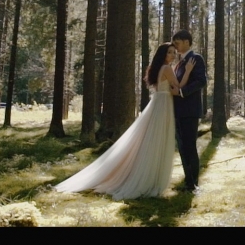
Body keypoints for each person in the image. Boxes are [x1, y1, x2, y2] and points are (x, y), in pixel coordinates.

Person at [54, 42, 195, 200]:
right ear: (163, 54)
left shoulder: (158, 68)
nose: (173, 55)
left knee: (153, 140)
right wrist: (188, 71)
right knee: (158, 140)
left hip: (158, 104)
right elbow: (179, 87)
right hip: (163, 106)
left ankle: (149, 175)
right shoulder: (167, 68)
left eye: (174, 52)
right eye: (170, 52)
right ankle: (150, 178)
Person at [171, 29, 207, 191]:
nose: (175, 47)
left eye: (177, 43)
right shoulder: (179, 63)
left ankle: (193, 184)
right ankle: (188, 182)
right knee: (182, 148)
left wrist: (181, 92)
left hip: (190, 110)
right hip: (178, 111)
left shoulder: (196, 58)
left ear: (187, 42)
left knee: (190, 146)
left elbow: (201, 81)